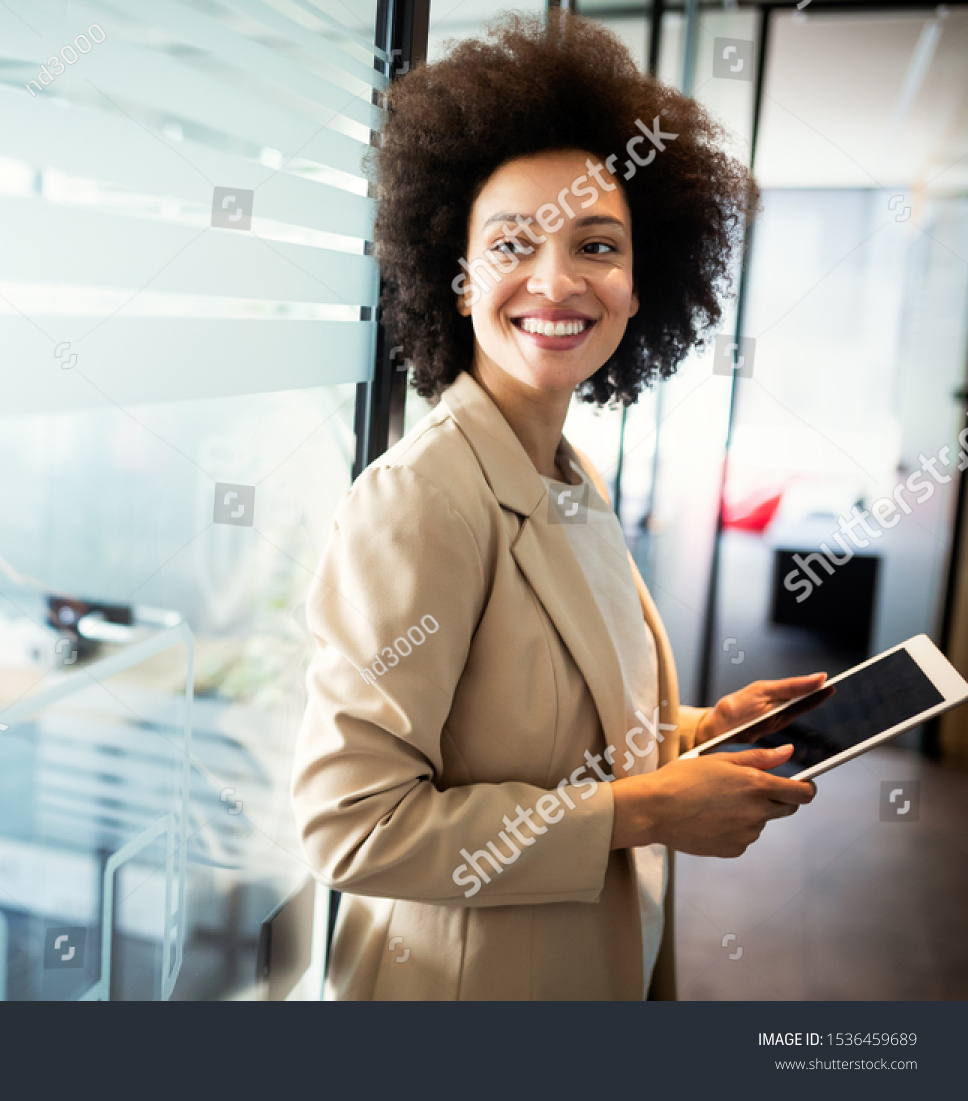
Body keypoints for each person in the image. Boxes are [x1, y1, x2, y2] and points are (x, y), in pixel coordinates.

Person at [291, 11, 823, 1001]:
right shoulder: (420, 501)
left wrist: (697, 734)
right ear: (455, 280)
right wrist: (644, 813)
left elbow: (551, 738)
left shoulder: (569, 474)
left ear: (637, 283)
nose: (555, 280)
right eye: (511, 245)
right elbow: (351, 824)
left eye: (596, 244)